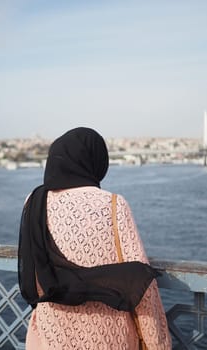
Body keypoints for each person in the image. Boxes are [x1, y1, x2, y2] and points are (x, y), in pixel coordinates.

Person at [18, 127, 172, 350]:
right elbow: (142, 285)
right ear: (97, 161)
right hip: (107, 336)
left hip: (50, 335)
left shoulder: (33, 202)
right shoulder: (113, 205)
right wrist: (158, 343)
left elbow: (31, 271)